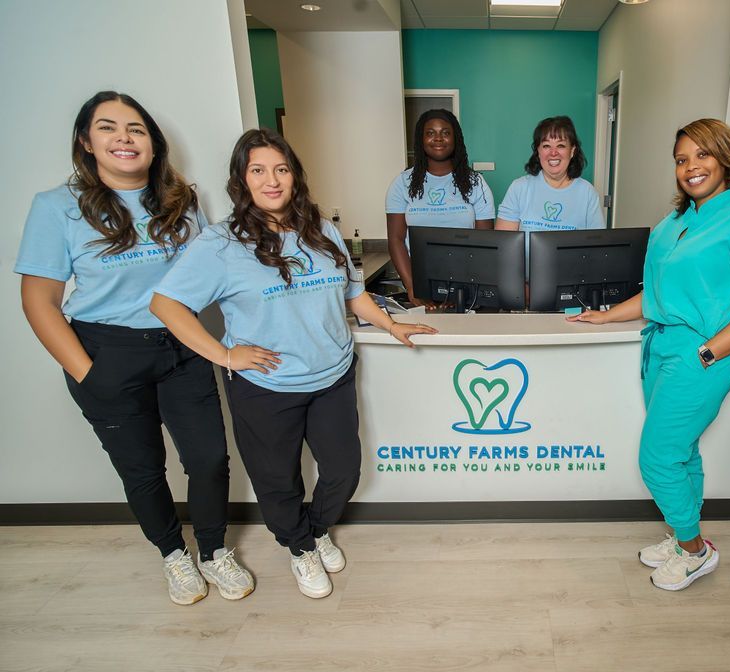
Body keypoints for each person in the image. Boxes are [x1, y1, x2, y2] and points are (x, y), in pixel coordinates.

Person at [151, 128, 437, 599]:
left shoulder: (319, 228)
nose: (272, 180)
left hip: (333, 375)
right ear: (242, 181)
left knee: (344, 470)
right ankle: (300, 548)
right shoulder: (222, 244)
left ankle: (317, 530)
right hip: (266, 386)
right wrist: (224, 354)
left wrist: (391, 325)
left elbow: (352, 293)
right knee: (278, 482)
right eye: (258, 170)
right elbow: (166, 304)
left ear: (294, 176)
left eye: (281, 169)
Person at [15, 91, 254, 605]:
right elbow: (39, 301)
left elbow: (205, 276)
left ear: (153, 142)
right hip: (106, 351)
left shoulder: (180, 199)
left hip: (183, 346)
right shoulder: (57, 207)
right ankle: (173, 556)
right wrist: (87, 373)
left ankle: (213, 552)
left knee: (210, 459)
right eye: (108, 127)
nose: (123, 137)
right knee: (143, 468)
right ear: (86, 141)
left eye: (136, 129)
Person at [570, 119, 730, 591]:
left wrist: (709, 352)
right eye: (682, 160)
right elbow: (656, 295)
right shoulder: (674, 224)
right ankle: (682, 534)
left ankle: (694, 550)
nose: (691, 168)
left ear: (725, 158)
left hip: (703, 352)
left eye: (702, 156)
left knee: (657, 456)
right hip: (660, 346)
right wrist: (605, 315)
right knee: (681, 451)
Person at [386, 109, 495, 307]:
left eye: (445, 132)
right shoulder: (402, 183)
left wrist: (465, 290)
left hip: (468, 285)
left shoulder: (475, 182)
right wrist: (412, 288)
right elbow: (396, 239)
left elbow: (485, 243)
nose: (438, 138)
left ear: (456, 139)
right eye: (430, 133)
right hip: (420, 284)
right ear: (421, 139)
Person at [496, 115, 605, 274]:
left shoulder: (588, 193)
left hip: (572, 280)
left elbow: (597, 248)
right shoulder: (519, 187)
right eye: (546, 146)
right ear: (538, 152)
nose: (553, 153)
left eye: (561, 145)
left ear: (572, 151)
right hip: (523, 282)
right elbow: (503, 247)